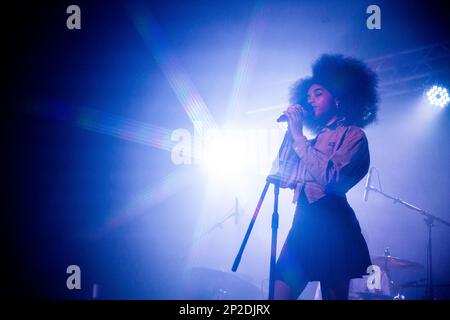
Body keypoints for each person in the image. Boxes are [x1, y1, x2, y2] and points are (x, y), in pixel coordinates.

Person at [272, 54, 379, 300]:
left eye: (318, 94)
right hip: (303, 221)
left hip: (333, 222)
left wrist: (299, 138)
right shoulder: (308, 140)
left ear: (338, 99)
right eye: (308, 97)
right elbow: (283, 176)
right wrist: (291, 133)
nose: (311, 101)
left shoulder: (354, 136)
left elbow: (332, 179)